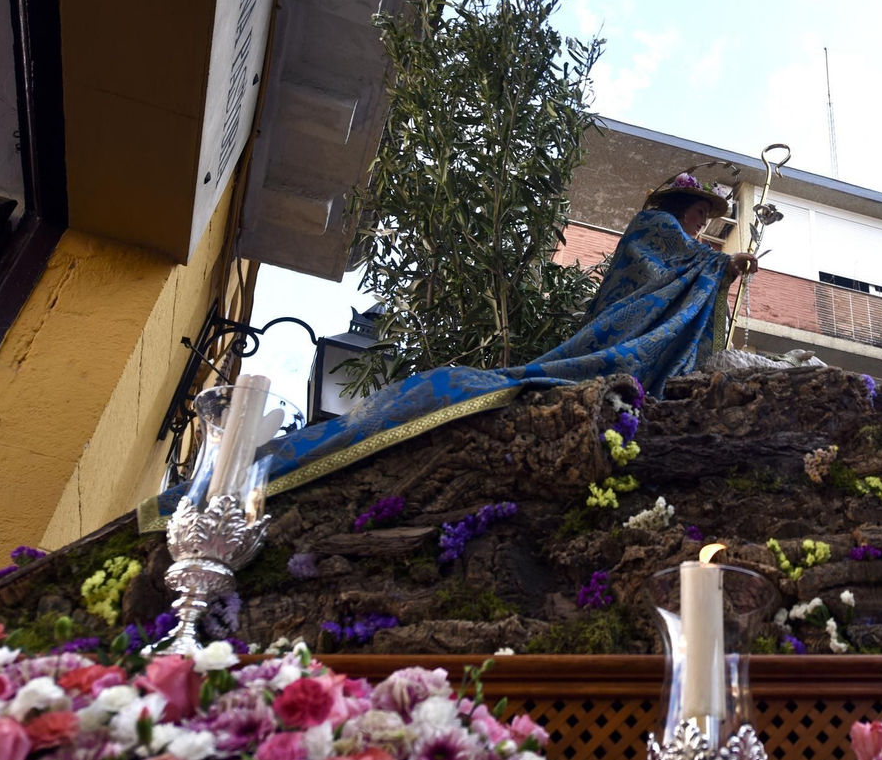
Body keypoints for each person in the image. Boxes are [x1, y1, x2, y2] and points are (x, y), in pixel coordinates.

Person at [143, 172, 757, 529]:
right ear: (686, 207)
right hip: (631, 329)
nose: (702, 225)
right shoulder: (657, 230)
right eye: (702, 213)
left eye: (706, 219)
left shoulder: (683, 242)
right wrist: (723, 264)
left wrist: (716, 268)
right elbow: (668, 271)